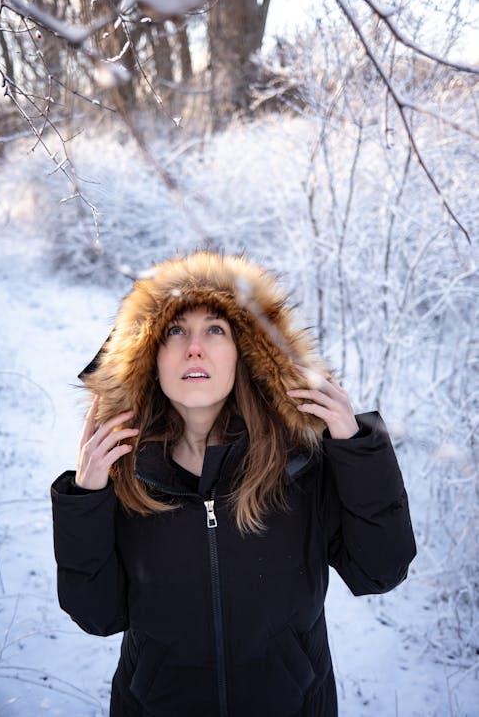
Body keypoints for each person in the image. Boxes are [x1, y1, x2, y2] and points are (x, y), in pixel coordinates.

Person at [51, 251, 416, 717]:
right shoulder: (125, 473)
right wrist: (86, 497)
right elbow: (96, 616)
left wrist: (357, 448)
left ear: (245, 353)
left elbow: (380, 570)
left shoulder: (299, 465)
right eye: (175, 331)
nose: (194, 347)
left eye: (215, 330)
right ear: (147, 358)